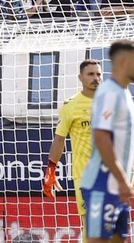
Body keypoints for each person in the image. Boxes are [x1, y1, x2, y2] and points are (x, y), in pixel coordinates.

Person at [80, 40, 134, 243]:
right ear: (124, 62)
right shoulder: (109, 93)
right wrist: (122, 180)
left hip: (116, 187)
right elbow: (101, 137)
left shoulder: (124, 93)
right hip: (102, 185)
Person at [45, 57, 102, 228]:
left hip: (111, 174)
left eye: (98, 74)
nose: (96, 78)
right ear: (80, 77)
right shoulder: (70, 105)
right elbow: (59, 138)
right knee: (91, 226)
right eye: (90, 74)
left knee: (111, 227)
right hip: (84, 175)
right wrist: (50, 170)